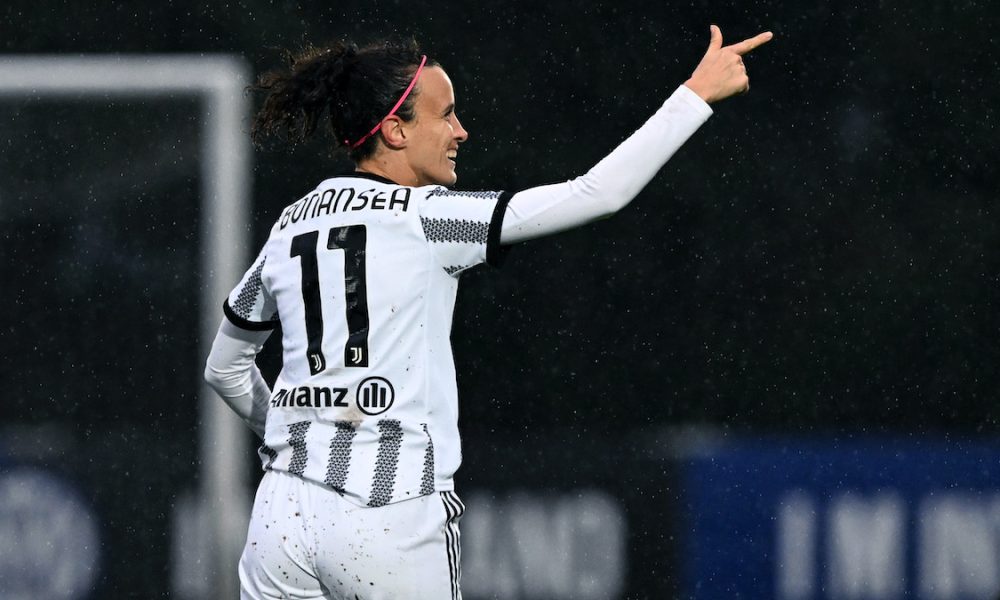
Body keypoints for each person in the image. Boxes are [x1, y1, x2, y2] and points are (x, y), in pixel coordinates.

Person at [204, 25, 772, 600]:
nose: (460, 131)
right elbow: (596, 194)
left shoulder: (291, 225)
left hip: (281, 518)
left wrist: (298, 435)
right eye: (445, 115)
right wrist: (694, 96)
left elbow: (223, 367)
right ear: (396, 130)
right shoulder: (429, 218)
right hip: (387, 511)